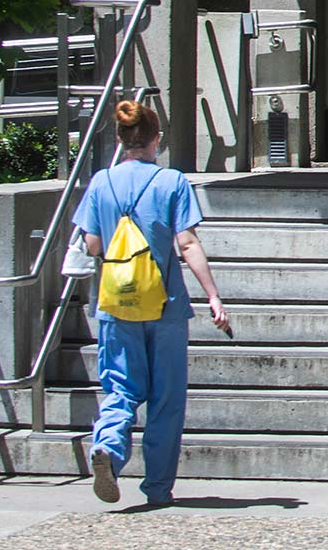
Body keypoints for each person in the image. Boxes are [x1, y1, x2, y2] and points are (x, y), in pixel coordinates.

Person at [74, 98, 229, 506]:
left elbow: (91, 244)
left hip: (116, 303)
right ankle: (158, 488)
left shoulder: (100, 183)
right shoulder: (172, 182)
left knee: (120, 388)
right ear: (156, 139)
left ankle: (108, 446)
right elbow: (187, 242)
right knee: (166, 399)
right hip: (166, 304)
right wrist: (212, 295)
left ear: (122, 138)